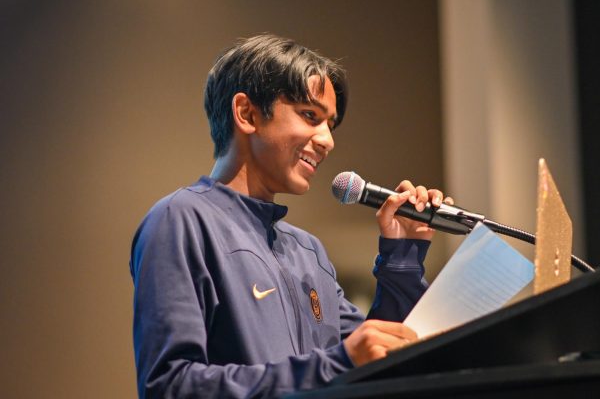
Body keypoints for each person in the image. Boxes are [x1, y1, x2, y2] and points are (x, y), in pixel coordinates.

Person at [129, 34, 452, 398]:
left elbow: (378, 362)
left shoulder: (307, 250)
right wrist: (337, 365)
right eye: (310, 116)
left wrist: (402, 255)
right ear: (247, 114)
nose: (327, 140)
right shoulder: (180, 220)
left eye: (330, 124)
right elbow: (170, 387)